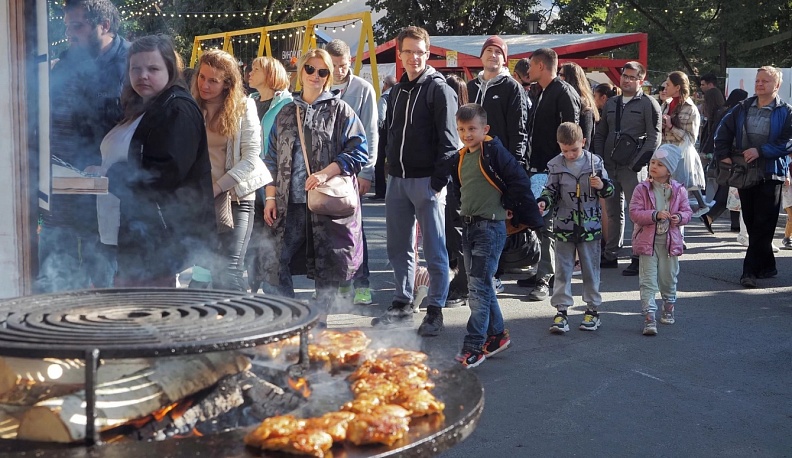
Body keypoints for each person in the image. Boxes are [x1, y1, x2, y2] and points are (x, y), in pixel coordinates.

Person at [262, 48, 367, 321]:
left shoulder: (340, 110)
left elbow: (359, 150)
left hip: (326, 202)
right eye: (310, 69)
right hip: (289, 202)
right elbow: (271, 157)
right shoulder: (286, 112)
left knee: (327, 267)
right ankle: (292, 319)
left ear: (329, 76)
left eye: (322, 71)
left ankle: (318, 321)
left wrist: (325, 173)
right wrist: (270, 197)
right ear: (301, 72)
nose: (315, 75)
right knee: (273, 263)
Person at [102, 35, 215, 286]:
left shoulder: (177, 109)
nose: (143, 75)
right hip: (137, 233)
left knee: (147, 305)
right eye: (136, 68)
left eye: (153, 69)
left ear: (169, 70)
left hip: (157, 238)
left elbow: (165, 175)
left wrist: (113, 175)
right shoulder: (145, 105)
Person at [37, 0, 130, 293]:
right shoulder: (65, 63)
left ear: (104, 26)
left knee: (106, 288)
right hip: (62, 198)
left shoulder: (131, 63)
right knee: (55, 283)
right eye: (67, 26)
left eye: (76, 26)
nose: (69, 33)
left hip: (111, 197)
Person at [371, 26, 458, 337]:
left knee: (435, 249)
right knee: (399, 246)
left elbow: (450, 141)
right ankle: (402, 302)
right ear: (400, 54)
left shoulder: (439, 89)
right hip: (397, 179)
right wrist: (388, 171)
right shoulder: (396, 91)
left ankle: (435, 309)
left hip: (427, 182)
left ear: (427, 53)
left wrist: (437, 182)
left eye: (420, 52)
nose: (414, 57)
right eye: (408, 51)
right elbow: (390, 134)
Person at [452, 103, 543, 367]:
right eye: (461, 129)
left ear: (485, 129)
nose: (467, 134)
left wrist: (509, 205)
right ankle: (497, 335)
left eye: (472, 129)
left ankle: (474, 346)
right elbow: (461, 189)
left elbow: (519, 180)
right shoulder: (461, 156)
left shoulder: (493, 151)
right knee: (480, 285)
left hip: (490, 228)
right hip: (469, 226)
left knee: (478, 287)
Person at [192, 50, 271, 291]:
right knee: (208, 268)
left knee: (229, 270)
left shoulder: (244, 106)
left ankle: (244, 315)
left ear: (227, 83)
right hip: (203, 199)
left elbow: (251, 157)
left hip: (236, 196)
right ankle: (217, 314)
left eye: (213, 80)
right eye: (202, 77)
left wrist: (217, 188)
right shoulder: (191, 105)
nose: (205, 85)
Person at [713, 66, 792, 289]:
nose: (759, 84)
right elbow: (722, 131)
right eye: (758, 80)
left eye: (765, 81)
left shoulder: (786, 111)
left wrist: (761, 151)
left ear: (777, 85)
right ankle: (768, 265)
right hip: (744, 172)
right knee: (750, 220)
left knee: (764, 223)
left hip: (771, 172)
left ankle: (749, 271)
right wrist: (723, 155)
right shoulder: (742, 107)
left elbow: (788, 142)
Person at [537, 123, 614, 334]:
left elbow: (609, 190)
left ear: (583, 142)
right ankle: (561, 310)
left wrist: (601, 186)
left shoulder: (595, 163)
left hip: (590, 227)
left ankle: (592, 310)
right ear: (559, 146)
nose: (570, 154)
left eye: (574, 150)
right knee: (563, 270)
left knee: (590, 270)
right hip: (564, 226)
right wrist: (544, 201)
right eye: (565, 150)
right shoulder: (555, 165)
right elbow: (550, 190)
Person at [519, 48, 581, 302]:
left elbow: (572, 135)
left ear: (541, 66)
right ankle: (545, 270)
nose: (527, 70)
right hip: (538, 170)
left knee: (549, 226)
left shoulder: (563, 92)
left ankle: (545, 277)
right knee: (540, 222)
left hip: (555, 171)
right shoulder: (542, 92)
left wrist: (565, 170)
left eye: (530, 65)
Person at [593, 61, 662, 276]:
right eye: (625, 76)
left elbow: (654, 138)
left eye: (632, 77)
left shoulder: (649, 104)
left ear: (641, 80)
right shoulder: (612, 103)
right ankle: (611, 253)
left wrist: (638, 164)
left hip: (634, 168)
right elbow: (601, 133)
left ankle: (638, 256)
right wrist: (599, 161)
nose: (627, 80)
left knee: (638, 214)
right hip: (609, 166)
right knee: (612, 212)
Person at [326, 39, 379, 306]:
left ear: (350, 62)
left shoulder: (362, 89)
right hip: (326, 172)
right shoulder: (320, 84)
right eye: (333, 66)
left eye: (343, 65)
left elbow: (371, 131)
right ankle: (341, 282)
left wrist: (367, 171)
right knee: (330, 230)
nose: (338, 71)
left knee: (355, 229)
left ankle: (362, 284)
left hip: (353, 170)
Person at [629, 144, 692, 335]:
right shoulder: (641, 189)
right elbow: (634, 212)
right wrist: (654, 215)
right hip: (647, 243)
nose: (654, 166)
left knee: (668, 278)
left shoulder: (679, 190)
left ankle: (668, 306)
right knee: (648, 280)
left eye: (660, 164)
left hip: (670, 244)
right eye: (652, 162)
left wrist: (679, 217)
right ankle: (649, 317)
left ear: (669, 170)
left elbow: (687, 211)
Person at [245, 56, 293, 292]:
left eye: (256, 69)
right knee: (251, 237)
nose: (249, 72)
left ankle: (276, 296)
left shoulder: (287, 104)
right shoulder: (248, 102)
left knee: (273, 240)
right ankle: (254, 287)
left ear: (270, 74)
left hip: (274, 179)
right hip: (249, 177)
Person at [467, 35, 527, 164]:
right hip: (472, 160)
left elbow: (518, 131)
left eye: (498, 52)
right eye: (489, 50)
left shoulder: (513, 87)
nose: (493, 55)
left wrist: (515, 165)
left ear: (504, 59)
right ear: (481, 56)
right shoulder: (471, 86)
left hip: (501, 162)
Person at [660, 71, 709, 218]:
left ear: (677, 87)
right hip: (663, 155)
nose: (665, 87)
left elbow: (690, 138)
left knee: (676, 198)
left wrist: (670, 126)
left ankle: (678, 229)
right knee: (663, 198)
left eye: (668, 84)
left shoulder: (691, 108)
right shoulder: (667, 103)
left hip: (679, 156)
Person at [443, 73, 470, 307]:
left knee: (454, 232)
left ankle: (461, 284)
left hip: (453, 181)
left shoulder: (455, 121)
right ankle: (458, 280)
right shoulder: (468, 120)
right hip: (463, 181)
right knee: (456, 232)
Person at [559, 62, 600, 151]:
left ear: (571, 78)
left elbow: (586, 141)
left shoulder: (585, 106)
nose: (559, 78)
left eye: (561, 75)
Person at [370, 75, 398, 200]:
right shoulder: (399, 95)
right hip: (397, 134)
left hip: (383, 134)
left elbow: (380, 118)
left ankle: (381, 191)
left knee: (379, 161)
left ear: (385, 84)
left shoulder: (384, 97)